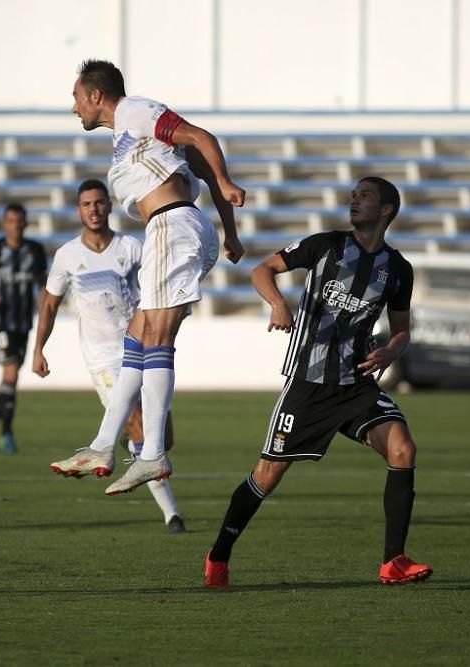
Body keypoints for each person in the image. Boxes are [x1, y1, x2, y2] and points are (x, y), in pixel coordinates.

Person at [204, 177, 433, 589]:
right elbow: (263, 270)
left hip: (357, 384)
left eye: (364, 196)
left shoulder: (398, 269)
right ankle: (219, 555)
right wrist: (277, 304)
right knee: (267, 476)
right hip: (307, 384)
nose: (354, 201)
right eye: (353, 196)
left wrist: (390, 352)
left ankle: (393, 561)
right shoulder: (326, 245)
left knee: (403, 448)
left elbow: (402, 330)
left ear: (386, 210)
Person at [50, 59, 245, 495]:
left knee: (156, 338)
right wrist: (230, 233)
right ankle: (103, 445)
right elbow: (198, 161)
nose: (74, 107)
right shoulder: (131, 137)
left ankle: (153, 453)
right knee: (137, 339)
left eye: (76, 97)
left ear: (96, 95)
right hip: (172, 227)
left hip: (172, 226)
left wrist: (228, 183)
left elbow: (199, 137)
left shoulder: (135, 111)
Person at [34, 179, 185, 533]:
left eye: (99, 202)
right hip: (102, 358)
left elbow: (154, 288)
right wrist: (38, 349)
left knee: (163, 433)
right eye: (87, 204)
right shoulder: (68, 256)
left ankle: (121, 439)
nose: (94, 209)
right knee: (141, 429)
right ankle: (171, 514)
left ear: (109, 205)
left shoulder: (131, 248)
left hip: (140, 346)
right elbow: (49, 304)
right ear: (79, 210)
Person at [0, 203, 48, 455]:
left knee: (10, 380)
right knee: (11, 373)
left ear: (25, 223)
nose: (16, 225)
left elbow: (42, 282)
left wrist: (42, 297)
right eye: (11, 221)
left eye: (20, 221)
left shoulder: (34, 251)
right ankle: (7, 434)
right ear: (5, 223)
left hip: (23, 320)